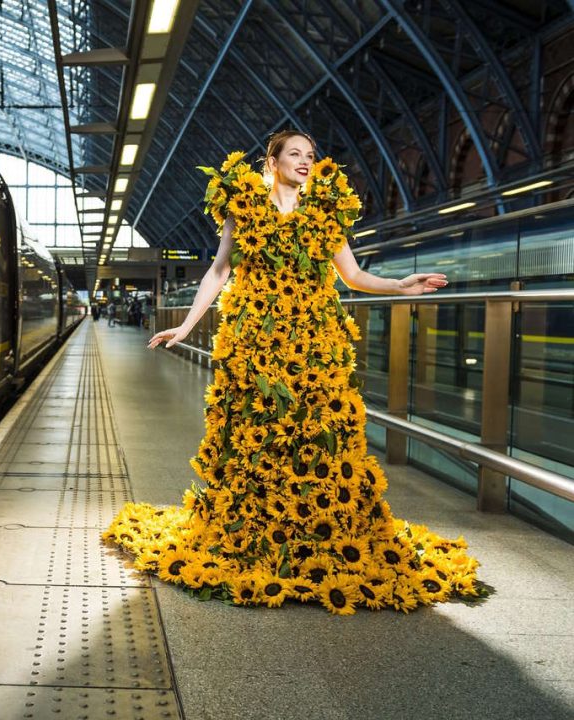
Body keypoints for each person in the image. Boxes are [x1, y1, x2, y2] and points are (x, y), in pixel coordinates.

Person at [103, 131, 482, 614]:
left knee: (318, 433)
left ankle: (314, 532)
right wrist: (185, 324)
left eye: (311, 156)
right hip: (252, 342)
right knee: (256, 434)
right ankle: (257, 535)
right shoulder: (243, 206)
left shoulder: (326, 211)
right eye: (295, 154)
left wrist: (400, 286)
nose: (305, 162)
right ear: (273, 160)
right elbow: (219, 272)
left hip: (315, 347)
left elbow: (353, 276)